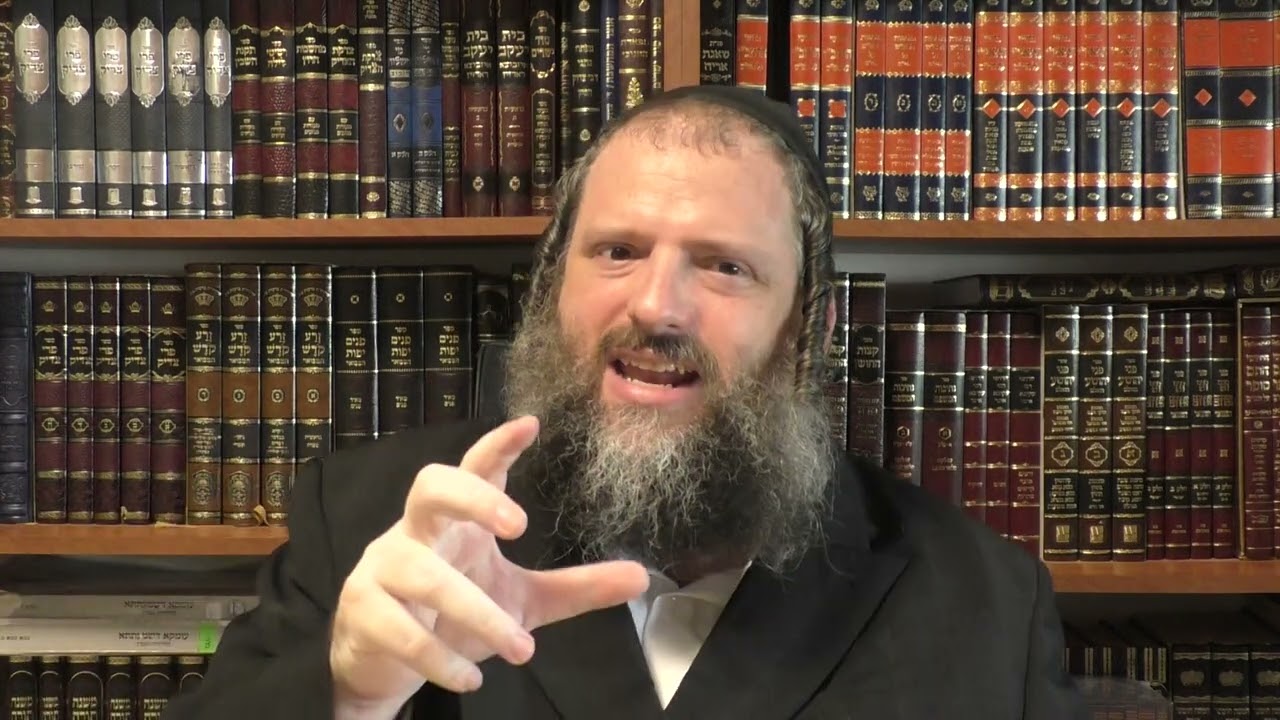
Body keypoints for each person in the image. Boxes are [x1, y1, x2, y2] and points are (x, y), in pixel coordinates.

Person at [163, 85, 1087, 720]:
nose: (656, 306)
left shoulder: (985, 605)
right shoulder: (374, 520)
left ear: (808, 326)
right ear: (552, 287)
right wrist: (349, 691)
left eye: (724, 267)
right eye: (618, 252)